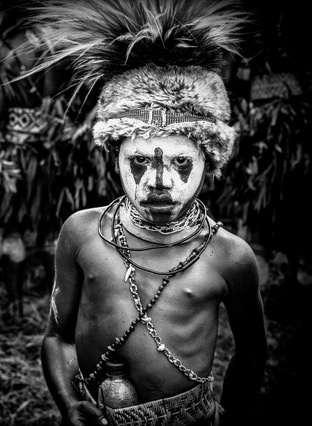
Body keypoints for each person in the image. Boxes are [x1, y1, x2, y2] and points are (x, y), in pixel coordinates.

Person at [25, 1, 268, 425]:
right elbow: (58, 338)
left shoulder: (229, 256)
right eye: (140, 161)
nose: (158, 180)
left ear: (209, 161)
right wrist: (70, 404)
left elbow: (252, 352)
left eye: (179, 162)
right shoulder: (83, 233)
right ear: (113, 156)